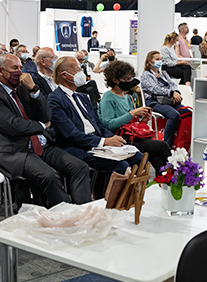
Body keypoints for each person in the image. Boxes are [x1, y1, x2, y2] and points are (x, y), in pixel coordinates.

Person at [0, 53, 91, 207]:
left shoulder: (23, 88)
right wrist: (41, 126)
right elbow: (14, 126)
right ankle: (64, 215)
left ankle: (83, 211)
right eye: (14, 68)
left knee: (79, 167)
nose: (20, 72)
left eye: (20, 67)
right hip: (15, 150)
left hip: (41, 145)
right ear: (0, 71)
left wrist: (34, 90)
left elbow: (47, 115)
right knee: (49, 176)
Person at [48, 57, 145, 186]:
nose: (81, 73)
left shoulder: (82, 97)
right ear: (65, 75)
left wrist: (112, 138)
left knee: (140, 157)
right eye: (77, 70)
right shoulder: (55, 99)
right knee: (121, 165)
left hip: (98, 143)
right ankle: (117, 203)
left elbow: (98, 124)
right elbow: (70, 134)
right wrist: (104, 141)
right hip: (79, 147)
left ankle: (138, 197)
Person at [98, 60, 171, 171]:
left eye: (130, 78)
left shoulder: (127, 97)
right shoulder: (108, 98)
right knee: (162, 146)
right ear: (115, 80)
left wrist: (143, 121)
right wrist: (132, 114)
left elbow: (131, 123)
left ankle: (166, 182)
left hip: (132, 137)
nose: (129, 81)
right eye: (126, 79)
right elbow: (108, 124)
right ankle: (178, 177)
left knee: (157, 158)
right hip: (120, 140)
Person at [140, 50, 193, 147]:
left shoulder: (163, 73)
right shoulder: (146, 75)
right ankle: (166, 144)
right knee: (174, 115)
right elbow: (154, 89)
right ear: (150, 61)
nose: (159, 61)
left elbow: (173, 85)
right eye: (157, 59)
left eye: (160, 59)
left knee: (187, 112)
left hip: (167, 100)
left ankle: (182, 143)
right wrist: (171, 93)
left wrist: (176, 93)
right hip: (154, 102)